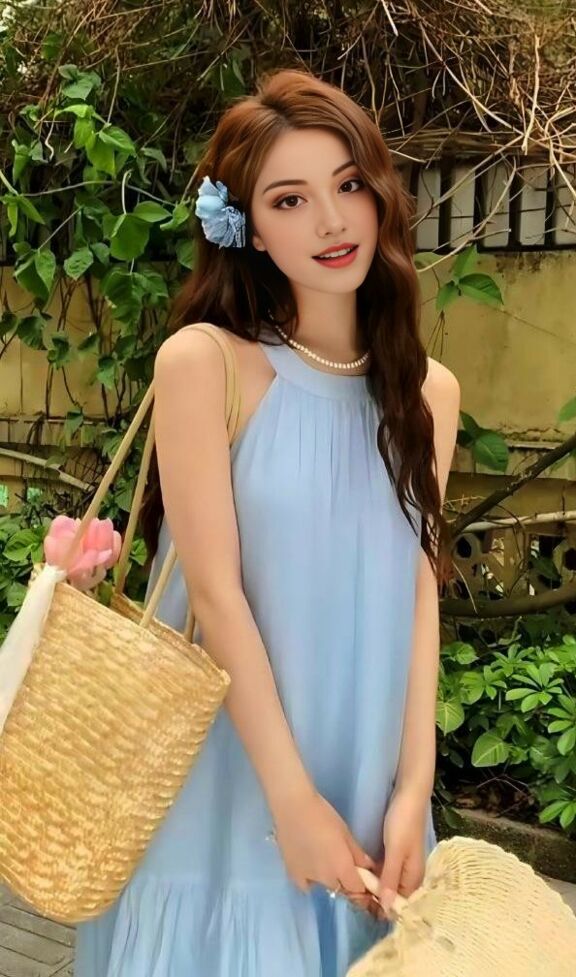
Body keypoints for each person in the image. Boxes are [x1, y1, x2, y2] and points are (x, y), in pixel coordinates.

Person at [74, 67, 460, 977]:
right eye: (290, 199)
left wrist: (414, 788)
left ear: (380, 192)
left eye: (348, 184)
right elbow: (216, 594)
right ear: (247, 226)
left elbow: (420, 597)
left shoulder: (428, 395)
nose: (330, 221)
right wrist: (291, 801)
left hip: (365, 773)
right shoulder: (206, 363)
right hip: (232, 783)